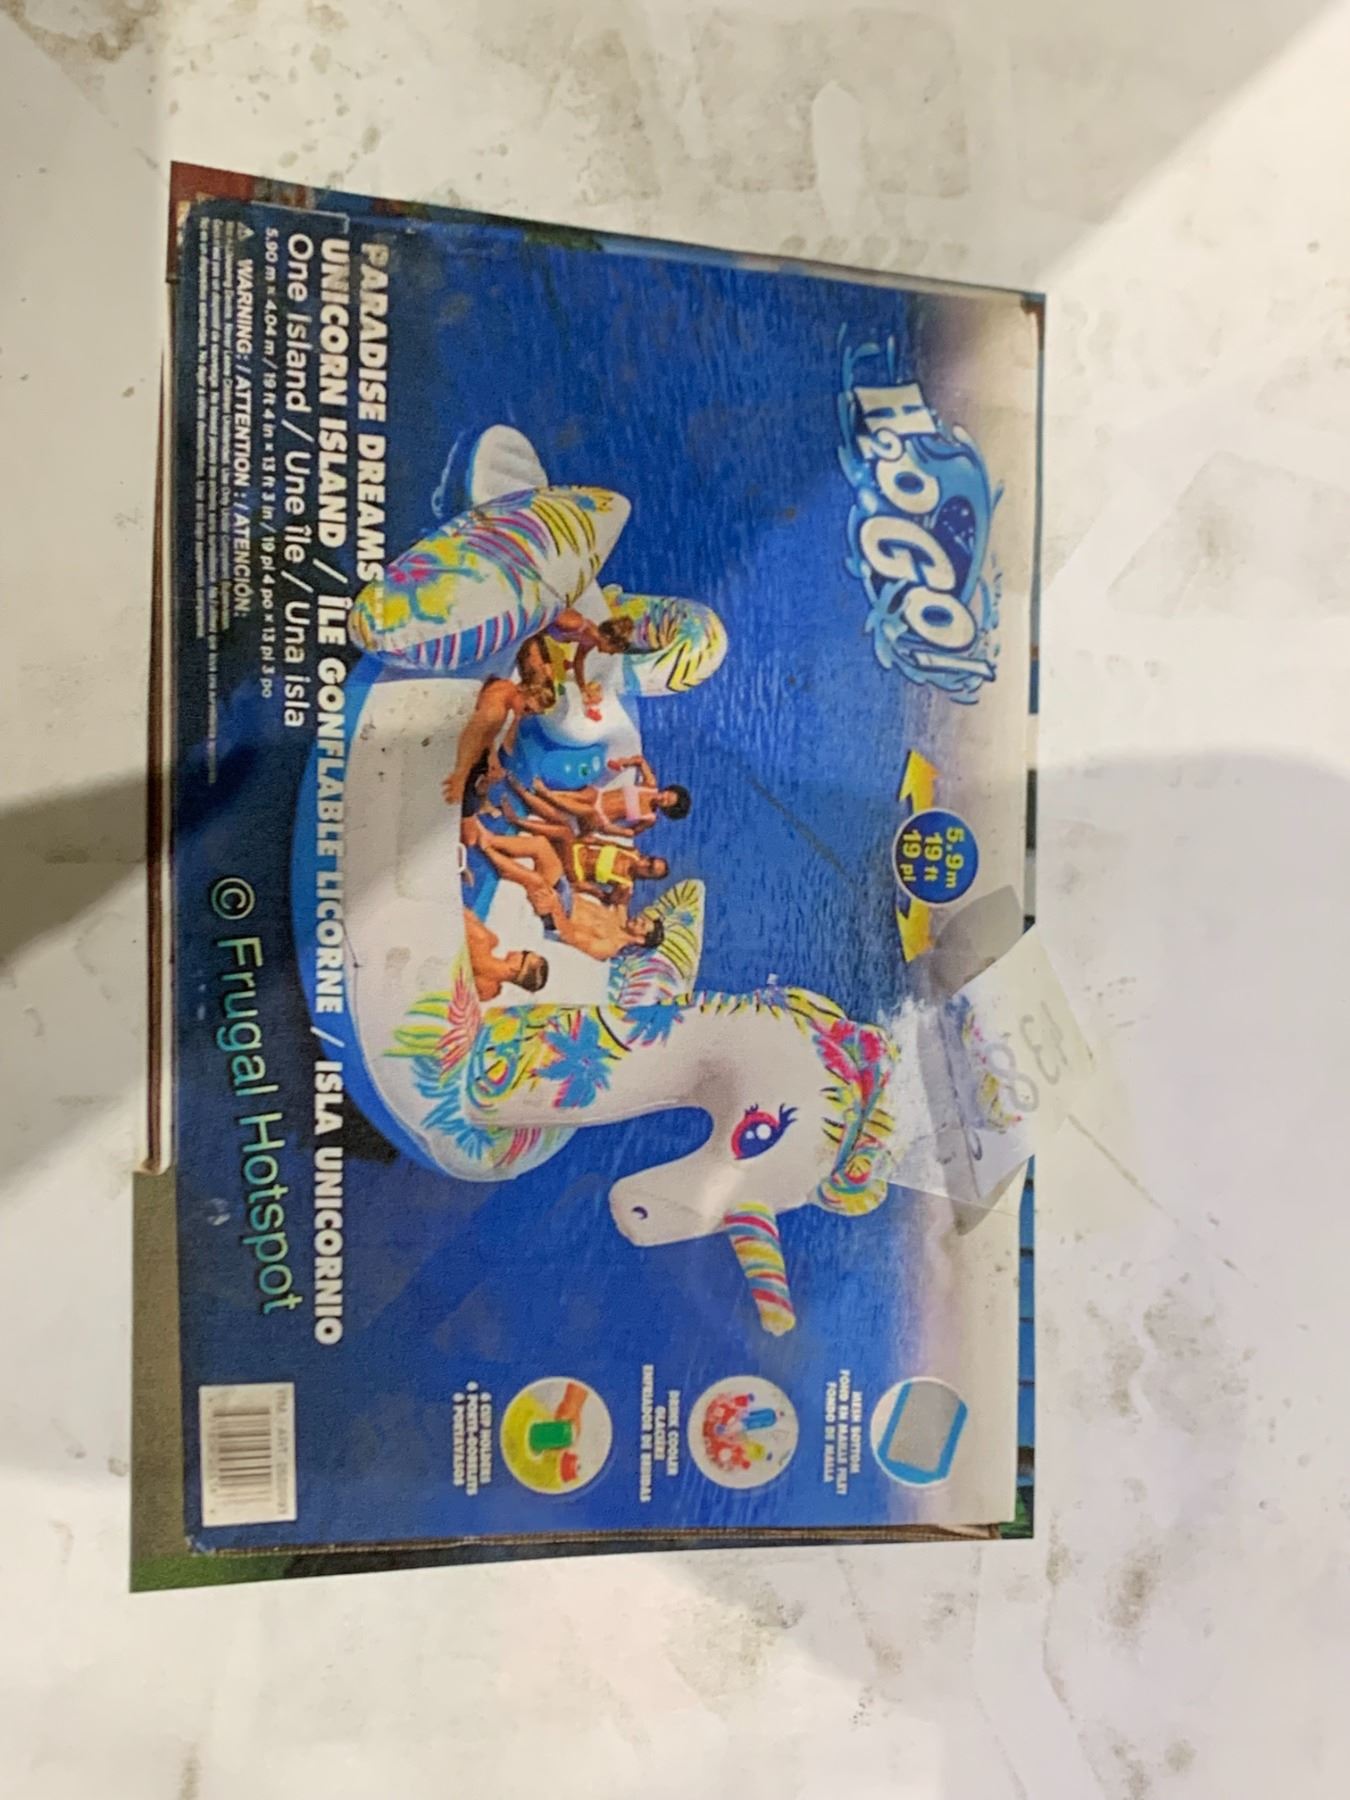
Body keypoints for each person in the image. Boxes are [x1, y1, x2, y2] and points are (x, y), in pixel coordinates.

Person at [460, 817, 665, 962]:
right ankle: (489, 838)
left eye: (642, 925)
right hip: (567, 895)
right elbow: (622, 899)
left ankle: (486, 849)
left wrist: (555, 907)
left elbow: (570, 937)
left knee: (534, 880)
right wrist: (620, 891)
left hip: (556, 914)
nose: (638, 919)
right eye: (643, 919)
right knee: (541, 846)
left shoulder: (608, 947)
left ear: (640, 939)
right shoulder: (621, 919)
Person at [441, 671, 555, 809]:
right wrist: (460, 775)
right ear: (522, 690)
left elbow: (487, 733)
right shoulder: (496, 711)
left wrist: (492, 757)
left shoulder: (508, 687)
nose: (527, 715)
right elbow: (469, 735)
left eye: (533, 713)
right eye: (527, 709)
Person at [509, 758, 690, 839]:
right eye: (668, 794)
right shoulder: (650, 785)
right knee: (589, 794)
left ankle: (544, 792)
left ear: (666, 810)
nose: (663, 797)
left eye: (667, 802)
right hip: (599, 797)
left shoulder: (650, 818)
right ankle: (548, 793)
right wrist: (623, 762)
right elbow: (641, 761)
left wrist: (608, 829)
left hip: (600, 818)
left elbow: (631, 833)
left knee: (589, 811)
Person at [516, 607, 636, 701]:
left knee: (545, 680)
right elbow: (545, 613)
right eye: (613, 650)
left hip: (536, 637)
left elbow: (579, 661)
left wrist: (583, 688)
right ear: (608, 640)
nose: (610, 654)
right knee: (541, 677)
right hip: (529, 631)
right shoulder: (576, 624)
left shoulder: (589, 641)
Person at [463, 912, 549, 1003]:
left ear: (517, 969)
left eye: (525, 953)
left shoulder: (482, 940)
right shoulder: (488, 992)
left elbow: (455, 911)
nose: (521, 951)